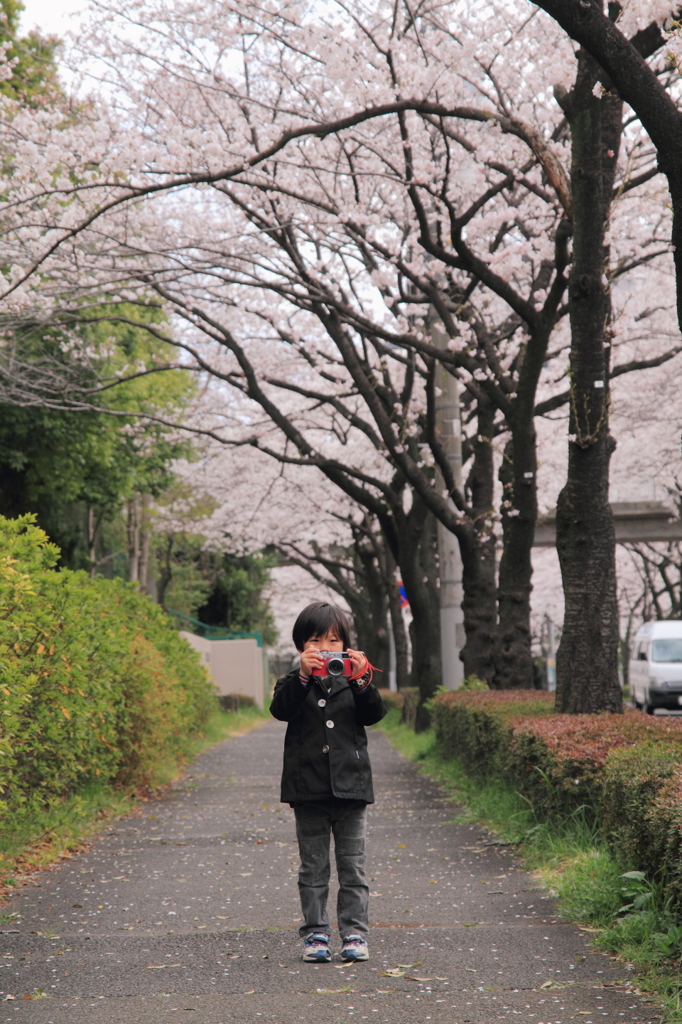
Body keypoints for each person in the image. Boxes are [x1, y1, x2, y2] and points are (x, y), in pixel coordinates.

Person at [270, 600, 387, 964]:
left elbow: (375, 714)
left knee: (353, 868)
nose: (325, 649)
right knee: (313, 868)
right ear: (301, 646)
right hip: (308, 791)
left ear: (346, 646)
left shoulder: (353, 681)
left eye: (334, 641)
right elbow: (280, 710)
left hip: (352, 790)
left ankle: (354, 934)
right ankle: (315, 933)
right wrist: (303, 677)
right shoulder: (292, 683)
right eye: (315, 641)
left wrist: (361, 679)